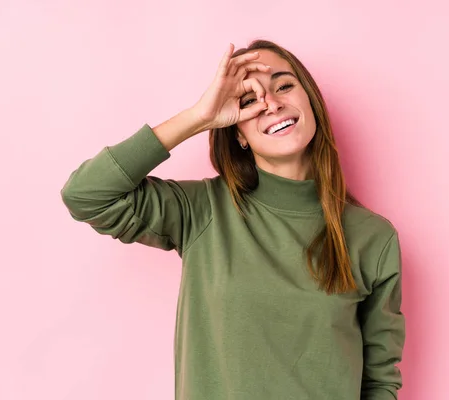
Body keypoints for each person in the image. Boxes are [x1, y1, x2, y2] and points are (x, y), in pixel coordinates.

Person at [61, 40, 405, 400]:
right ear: (237, 132)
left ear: (311, 102)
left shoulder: (373, 238)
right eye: (249, 101)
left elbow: (379, 382)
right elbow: (86, 194)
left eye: (284, 86)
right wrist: (198, 117)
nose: (271, 103)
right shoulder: (202, 210)